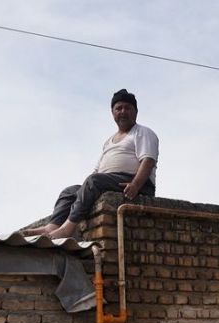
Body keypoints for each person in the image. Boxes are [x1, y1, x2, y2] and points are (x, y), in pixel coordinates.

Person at [24, 89, 158, 240]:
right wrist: (83, 191)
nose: (123, 111)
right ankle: (52, 226)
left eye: (127, 108)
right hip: (109, 181)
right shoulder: (109, 141)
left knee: (93, 181)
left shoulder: (142, 132)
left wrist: (135, 185)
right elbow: (97, 171)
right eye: (118, 108)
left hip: (135, 183)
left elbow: (148, 160)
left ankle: (67, 229)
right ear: (112, 112)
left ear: (136, 111)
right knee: (70, 192)